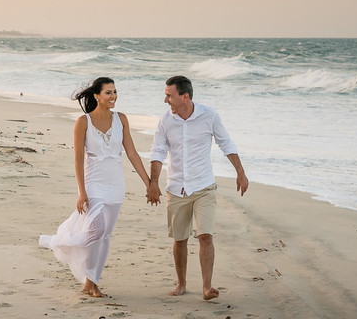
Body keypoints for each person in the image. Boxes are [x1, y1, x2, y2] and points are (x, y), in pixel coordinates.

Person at [40, 77, 152, 298]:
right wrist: (81, 191)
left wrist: (149, 184)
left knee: (105, 235)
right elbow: (78, 159)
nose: (113, 96)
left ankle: (91, 282)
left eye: (115, 92)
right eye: (108, 92)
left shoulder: (121, 119)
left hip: (116, 185)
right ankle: (62, 241)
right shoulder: (83, 122)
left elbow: (132, 153)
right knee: (96, 230)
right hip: (93, 184)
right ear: (97, 96)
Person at [145, 75, 248, 301]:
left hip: (203, 186)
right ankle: (181, 283)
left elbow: (226, 143)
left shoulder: (209, 116)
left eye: (169, 96)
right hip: (176, 188)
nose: (166, 100)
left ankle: (207, 287)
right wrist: (153, 183)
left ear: (185, 97)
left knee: (205, 236)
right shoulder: (165, 121)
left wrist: (240, 172)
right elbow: (158, 152)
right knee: (180, 239)